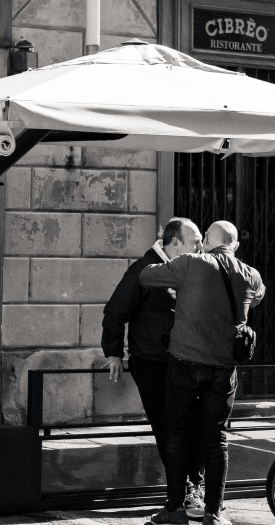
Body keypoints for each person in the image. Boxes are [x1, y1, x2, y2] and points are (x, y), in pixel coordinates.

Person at [139, 221, 265, 525]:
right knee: (217, 438)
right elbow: (257, 296)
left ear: (206, 241)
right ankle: (213, 512)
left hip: (184, 362)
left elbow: (146, 276)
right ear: (234, 246)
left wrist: (178, 279)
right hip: (223, 369)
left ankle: (174, 509)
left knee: (177, 433)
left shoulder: (191, 263)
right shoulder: (250, 274)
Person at [101, 217, 206, 517]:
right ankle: (186, 491)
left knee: (196, 423)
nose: (201, 247)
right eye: (195, 241)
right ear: (175, 244)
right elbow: (115, 311)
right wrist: (113, 353)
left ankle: (192, 487)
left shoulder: (189, 267)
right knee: (168, 428)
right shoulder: (145, 269)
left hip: (185, 362)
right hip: (152, 363)